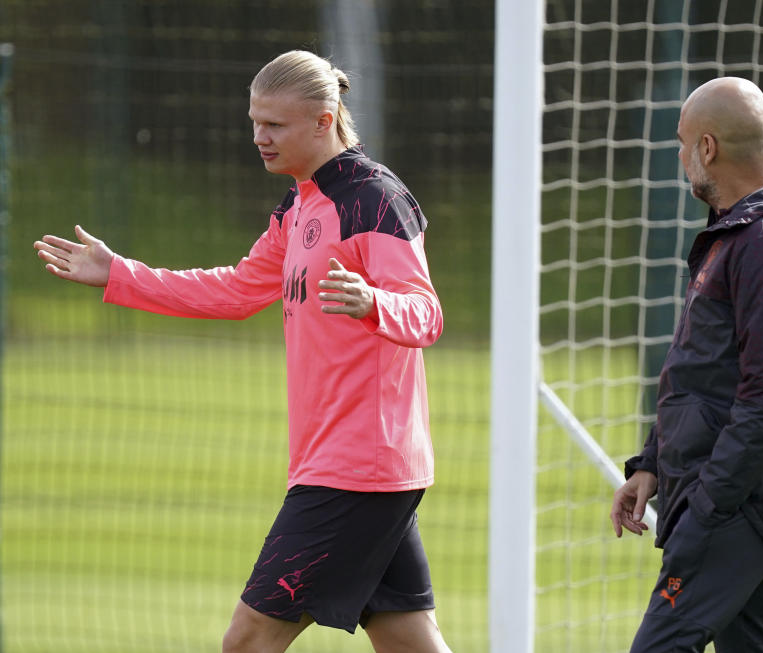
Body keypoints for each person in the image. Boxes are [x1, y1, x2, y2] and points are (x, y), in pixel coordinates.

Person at [34, 50, 451, 653]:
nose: (259, 136)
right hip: (351, 464)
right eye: (255, 121)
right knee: (409, 639)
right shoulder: (300, 205)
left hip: (358, 465)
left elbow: (427, 312)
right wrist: (120, 274)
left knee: (249, 639)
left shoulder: (374, 199)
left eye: (274, 124)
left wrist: (373, 302)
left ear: (323, 119)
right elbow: (234, 290)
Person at [609, 77, 763, 652]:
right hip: (742, 500)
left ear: (708, 149)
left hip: (741, 504)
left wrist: (709, 505)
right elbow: (703, 374)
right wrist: (650, 463)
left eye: (682, 143)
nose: (679, 157)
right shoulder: (737, 239)